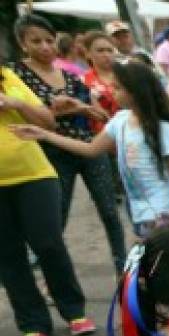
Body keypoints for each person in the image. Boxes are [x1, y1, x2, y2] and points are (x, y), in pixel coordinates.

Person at [14, 61, 169, 241]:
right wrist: (45, 134)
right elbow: (91, 148)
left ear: (136, 92)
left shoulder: (162, 128)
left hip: (164, 210)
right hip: (139, 211)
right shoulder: (121, 120)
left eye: (118, 88)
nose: (113, 91)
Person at [13, 15, 127, 276]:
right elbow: (29, 116)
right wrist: (56, 110)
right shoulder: (15, 76)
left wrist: (84, 108)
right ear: (22, 43)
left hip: (87, 147)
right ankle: (53, 278)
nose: (45, 47)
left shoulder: (69, 75)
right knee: (56, 219)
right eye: (36, 41)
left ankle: (124, 271)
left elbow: (95, 111)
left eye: (50, 41)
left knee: (110, 212)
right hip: (51, 151)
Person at [0, 61, 95, 336]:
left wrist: (15, 102)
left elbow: (47, 121)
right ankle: (33, 323)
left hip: (34, 175)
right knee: (8, 254)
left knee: (49, 243)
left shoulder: (8, 76)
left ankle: (73, 310)